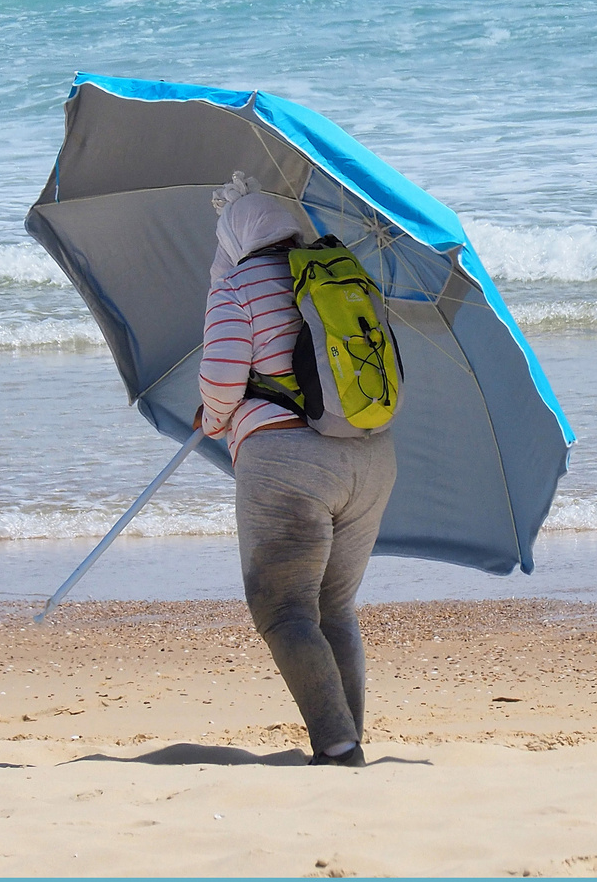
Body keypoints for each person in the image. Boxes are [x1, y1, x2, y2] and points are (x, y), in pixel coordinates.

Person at [197, 173, 396, 767]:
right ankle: (348, 735)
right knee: (334, 608)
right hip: (370, 461)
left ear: (236, 234)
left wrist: (212, 419)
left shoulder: (237, 283)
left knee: (284, 608)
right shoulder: (344, 274)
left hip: (288, 466)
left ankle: (337, 747)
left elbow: (222, 377)